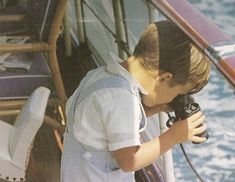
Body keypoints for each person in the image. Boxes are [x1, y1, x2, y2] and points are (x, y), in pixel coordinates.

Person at [61, 20, 210, 182]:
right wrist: (174, 136)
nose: (175, 99)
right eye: (177, 93)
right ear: (164, 78)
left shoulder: (101, 77)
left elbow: (108, 123)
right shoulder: (121, 100)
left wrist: (155, 109)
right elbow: (129, 161)